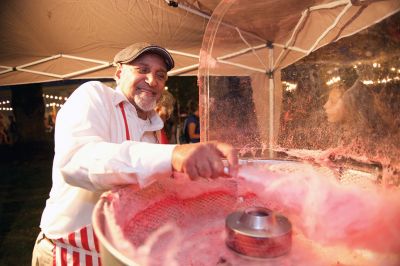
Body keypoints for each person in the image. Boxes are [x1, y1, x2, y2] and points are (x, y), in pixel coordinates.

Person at [32, 42, 238, 266]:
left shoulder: (155, 130)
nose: (152, 80)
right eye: (142, 69)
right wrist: (174, 154)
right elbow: (78, 161)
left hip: (118, 257)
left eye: (160, 75)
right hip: (72, 253)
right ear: (119, 72)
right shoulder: (95, 96)